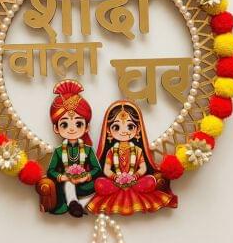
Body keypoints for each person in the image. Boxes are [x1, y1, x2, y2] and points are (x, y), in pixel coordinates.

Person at [87, 100, 177, 216]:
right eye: (116, 127)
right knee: (99, 183)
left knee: (150, 181)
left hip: (135, 181)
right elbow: (106, 170)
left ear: (138, 129)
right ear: (108, 130)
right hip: (116, 183)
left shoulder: (138, 150)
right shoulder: (111, 151)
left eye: (130, 126)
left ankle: (130, 188)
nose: (124, 131)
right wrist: (116, 177)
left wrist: (134, 176)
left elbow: (143, 168)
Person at [47, 80, 101, 217]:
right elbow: (51, 171)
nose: (72, 129)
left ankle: (80, 205)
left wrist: (85, 177)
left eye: (78, 124)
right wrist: (63, 177)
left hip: (85, 183)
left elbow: (97, 169)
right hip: (67, 183)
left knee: (102, 184)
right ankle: (72, 203)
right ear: (56, 128)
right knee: (69, 184)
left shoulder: (87, 149)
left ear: (87, 127)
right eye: (64, 124)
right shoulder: (59, 151)